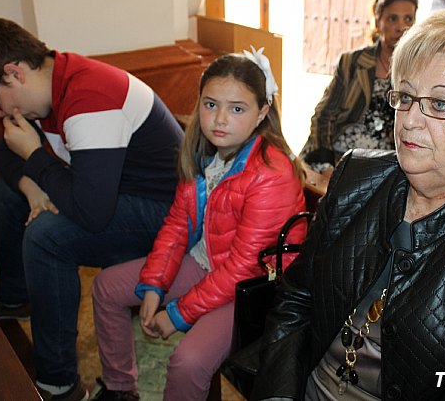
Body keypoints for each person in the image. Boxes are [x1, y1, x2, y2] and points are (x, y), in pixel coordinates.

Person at [252, 10, 445, 400]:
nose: (409, 121)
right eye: (405, 96)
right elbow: (296, 301)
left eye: (439, 105)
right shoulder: (355, 176)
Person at [0, 17, 184, 401]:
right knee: (8, 193)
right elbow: (3, 158)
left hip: (165, 216)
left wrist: (33, 156)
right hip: (112, 195)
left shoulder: (89, 98)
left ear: (14, 73)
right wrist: (32, 190)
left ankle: (58, 385)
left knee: (46, 238)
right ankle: (16, 298)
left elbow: (91, 213)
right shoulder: (49, 84)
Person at [90, 49, 307, 401]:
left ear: (262, 113)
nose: (220, 119)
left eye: (237, 108)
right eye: (210, 105)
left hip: (250, 288)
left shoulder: (272, 173)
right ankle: (119, 389)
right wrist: (153, 285)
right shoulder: (205, 152)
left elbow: (243, 267)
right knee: (107, 287)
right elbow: (177, 225)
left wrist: (176, 314)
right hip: (206, 262)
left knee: (188, 361)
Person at [299, 0, 418, 175]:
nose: (401, 27)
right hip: (339, 154)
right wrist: (325, 164)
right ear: (378, 24)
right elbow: (324, 115)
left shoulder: (418, 70)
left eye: (408, 19)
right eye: (392, 18)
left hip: (386, 167)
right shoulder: (352, 63)